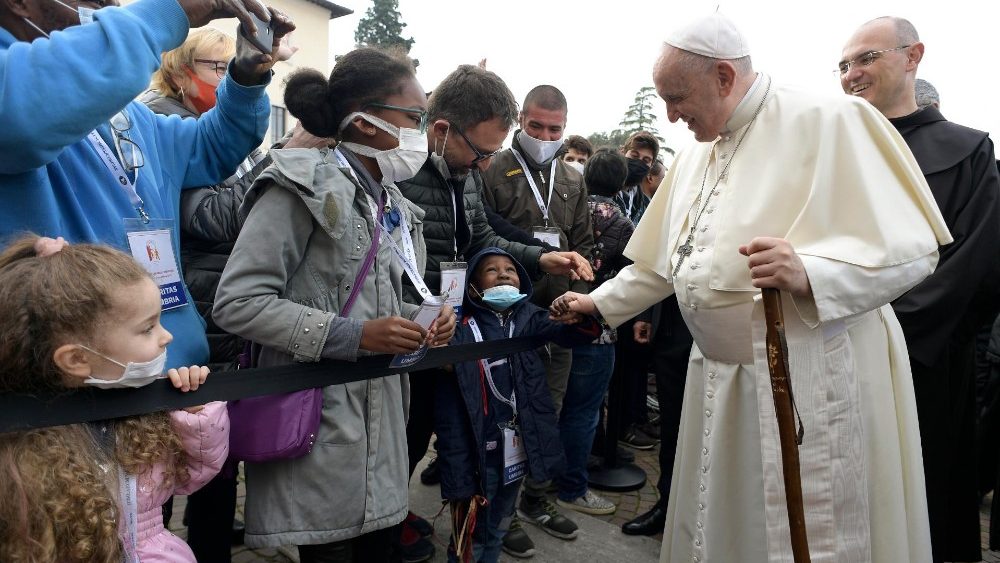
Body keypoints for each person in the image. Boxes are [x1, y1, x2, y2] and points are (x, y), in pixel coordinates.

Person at [551, 12, 950, 562]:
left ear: (722, 76)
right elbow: (663, 264)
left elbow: (914, 251)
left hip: (808, 378)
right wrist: (596, 303)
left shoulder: (832, 120)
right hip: (716, 381)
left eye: (677, 97)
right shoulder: (695, 152)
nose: (669, 116)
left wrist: (811, 272)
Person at [213, 47, 456, 563]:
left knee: (378, 546)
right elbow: (238, 302)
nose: (422, 132)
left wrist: (424, 322)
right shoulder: (297, 186)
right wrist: (354, 336)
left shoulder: (395, 205)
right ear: (365, 122)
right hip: (317, 425)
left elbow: (386, 297)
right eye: (414, 118)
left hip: (383, 425)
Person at [0, 0, 292, 370]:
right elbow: (21, 120)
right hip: (74, 387)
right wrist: (169, 11)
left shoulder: (124, 111)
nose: (110, 8)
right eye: (94, 1)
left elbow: (210, 146)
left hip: (176, 374)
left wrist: (245, 76)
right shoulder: (17, 90)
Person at [139, 27, 330, 560]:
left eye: (238, 70)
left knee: (211, 456)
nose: (230, 80)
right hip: (192, 316)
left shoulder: (215, 126)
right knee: (189, 464)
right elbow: (216, 218)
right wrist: (289, 151)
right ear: (178, 69)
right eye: (218, 68)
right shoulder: (168, 124)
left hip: (219, 317)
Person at [395, 65, 594, 560]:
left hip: (450, 334)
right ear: (441, 131)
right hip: (404, 335)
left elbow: (485, 238)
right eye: (481, 151)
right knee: (400, 438)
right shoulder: (400, 174)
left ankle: (403, 515)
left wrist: (538, 257)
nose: (484, 164)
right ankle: (383, 522)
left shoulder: (462, 175)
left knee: (430, 432)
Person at [840, 17, 1000, 563]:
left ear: (913, 57)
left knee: (919, 495)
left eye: (865, 59)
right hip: (833, 348)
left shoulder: (969, 150)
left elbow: (973, 263)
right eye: (843, 65)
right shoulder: (836, 145)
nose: (851, 74)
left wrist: (885, 325)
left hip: (923, 361)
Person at [0, 235, 227, 563]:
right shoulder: (18, 452)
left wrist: (195, 413)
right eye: (147, 328)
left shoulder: (143, 404)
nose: (167, 336)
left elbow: (191, 475)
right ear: (77, 359)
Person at [480, 84, 595, 555]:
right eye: (536, 126)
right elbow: (482, 241)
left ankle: (537, 499)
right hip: (505, 322)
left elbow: (584, 242)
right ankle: (497, 512)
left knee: (548, 410)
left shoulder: (572, 176)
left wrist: (578, 296)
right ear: (521, 122)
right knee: (503, 417)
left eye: (555, 128)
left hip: (558, 316)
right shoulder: (492, 170)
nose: (546, 136)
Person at [436, 247, 601, 563]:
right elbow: (448, 408)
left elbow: (572, 333)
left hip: (515, 448)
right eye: (491, 270)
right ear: (472, 287)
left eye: (510, 270)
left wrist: (574, 313)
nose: (502, 274)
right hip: (473, 452)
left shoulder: (532, 318)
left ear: (522, 282)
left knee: (498, 525)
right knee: (468, 536)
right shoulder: (460, 326)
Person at [554, 148, 635, 516]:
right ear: (622, 182)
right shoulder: (623, 222)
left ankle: (541, 478)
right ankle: (572, 487)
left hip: (559, 315)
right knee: (584, 412)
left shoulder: (569, 206)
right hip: (598, 327)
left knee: (554, 403)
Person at [613, 131, 660, 226]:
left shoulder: (644, 205)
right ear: (623, 153)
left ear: (651, 166)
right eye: (634, 156)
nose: (639, 162)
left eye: (646, 160)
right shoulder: (602, 187)